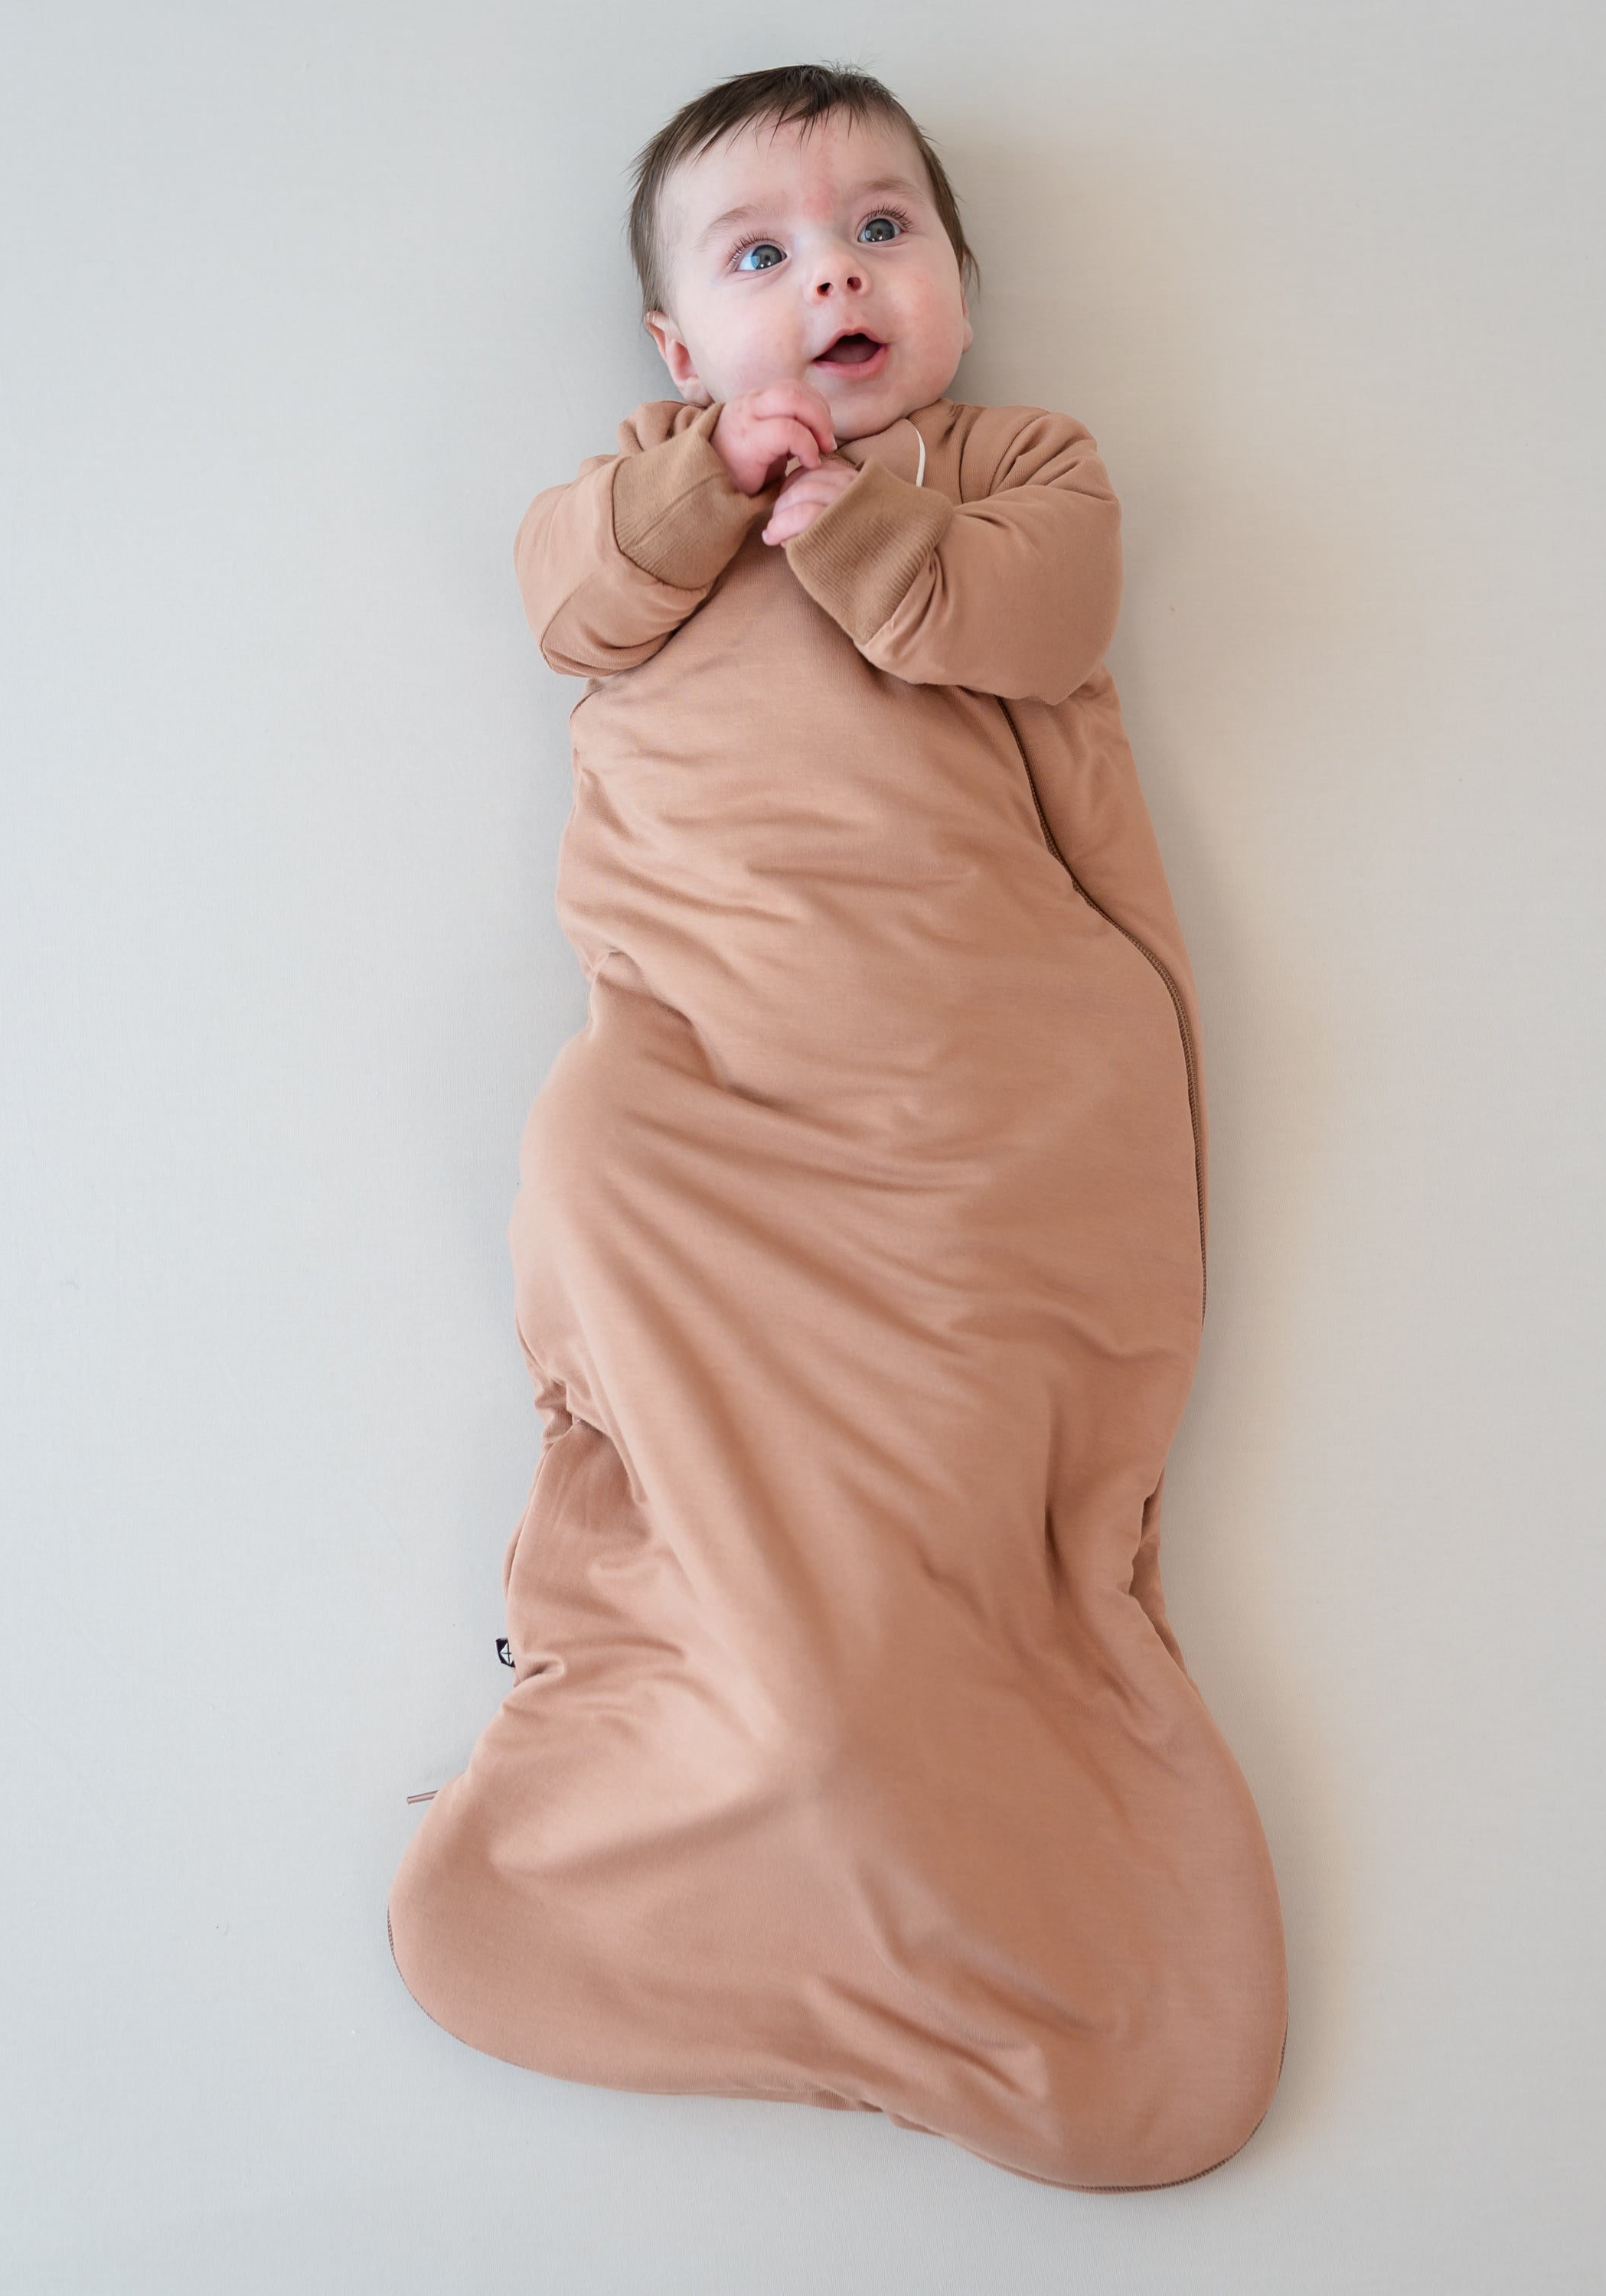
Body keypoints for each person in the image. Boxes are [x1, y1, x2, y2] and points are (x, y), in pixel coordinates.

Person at [387, 62, 1287, 2192]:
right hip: (713, 1063)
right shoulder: (642, 488)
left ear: (960, 293)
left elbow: (1038, 622)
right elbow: (562, 602)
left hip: (977, 1066)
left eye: (885, 231)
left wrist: (862, 519)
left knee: (962, 1468)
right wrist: (704, 494)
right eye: (763, 253)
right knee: (591, 1152)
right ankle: (736, 1723)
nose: (834, 277)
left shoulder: (1012, 471)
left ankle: (934, 1785)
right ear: (681, 348)